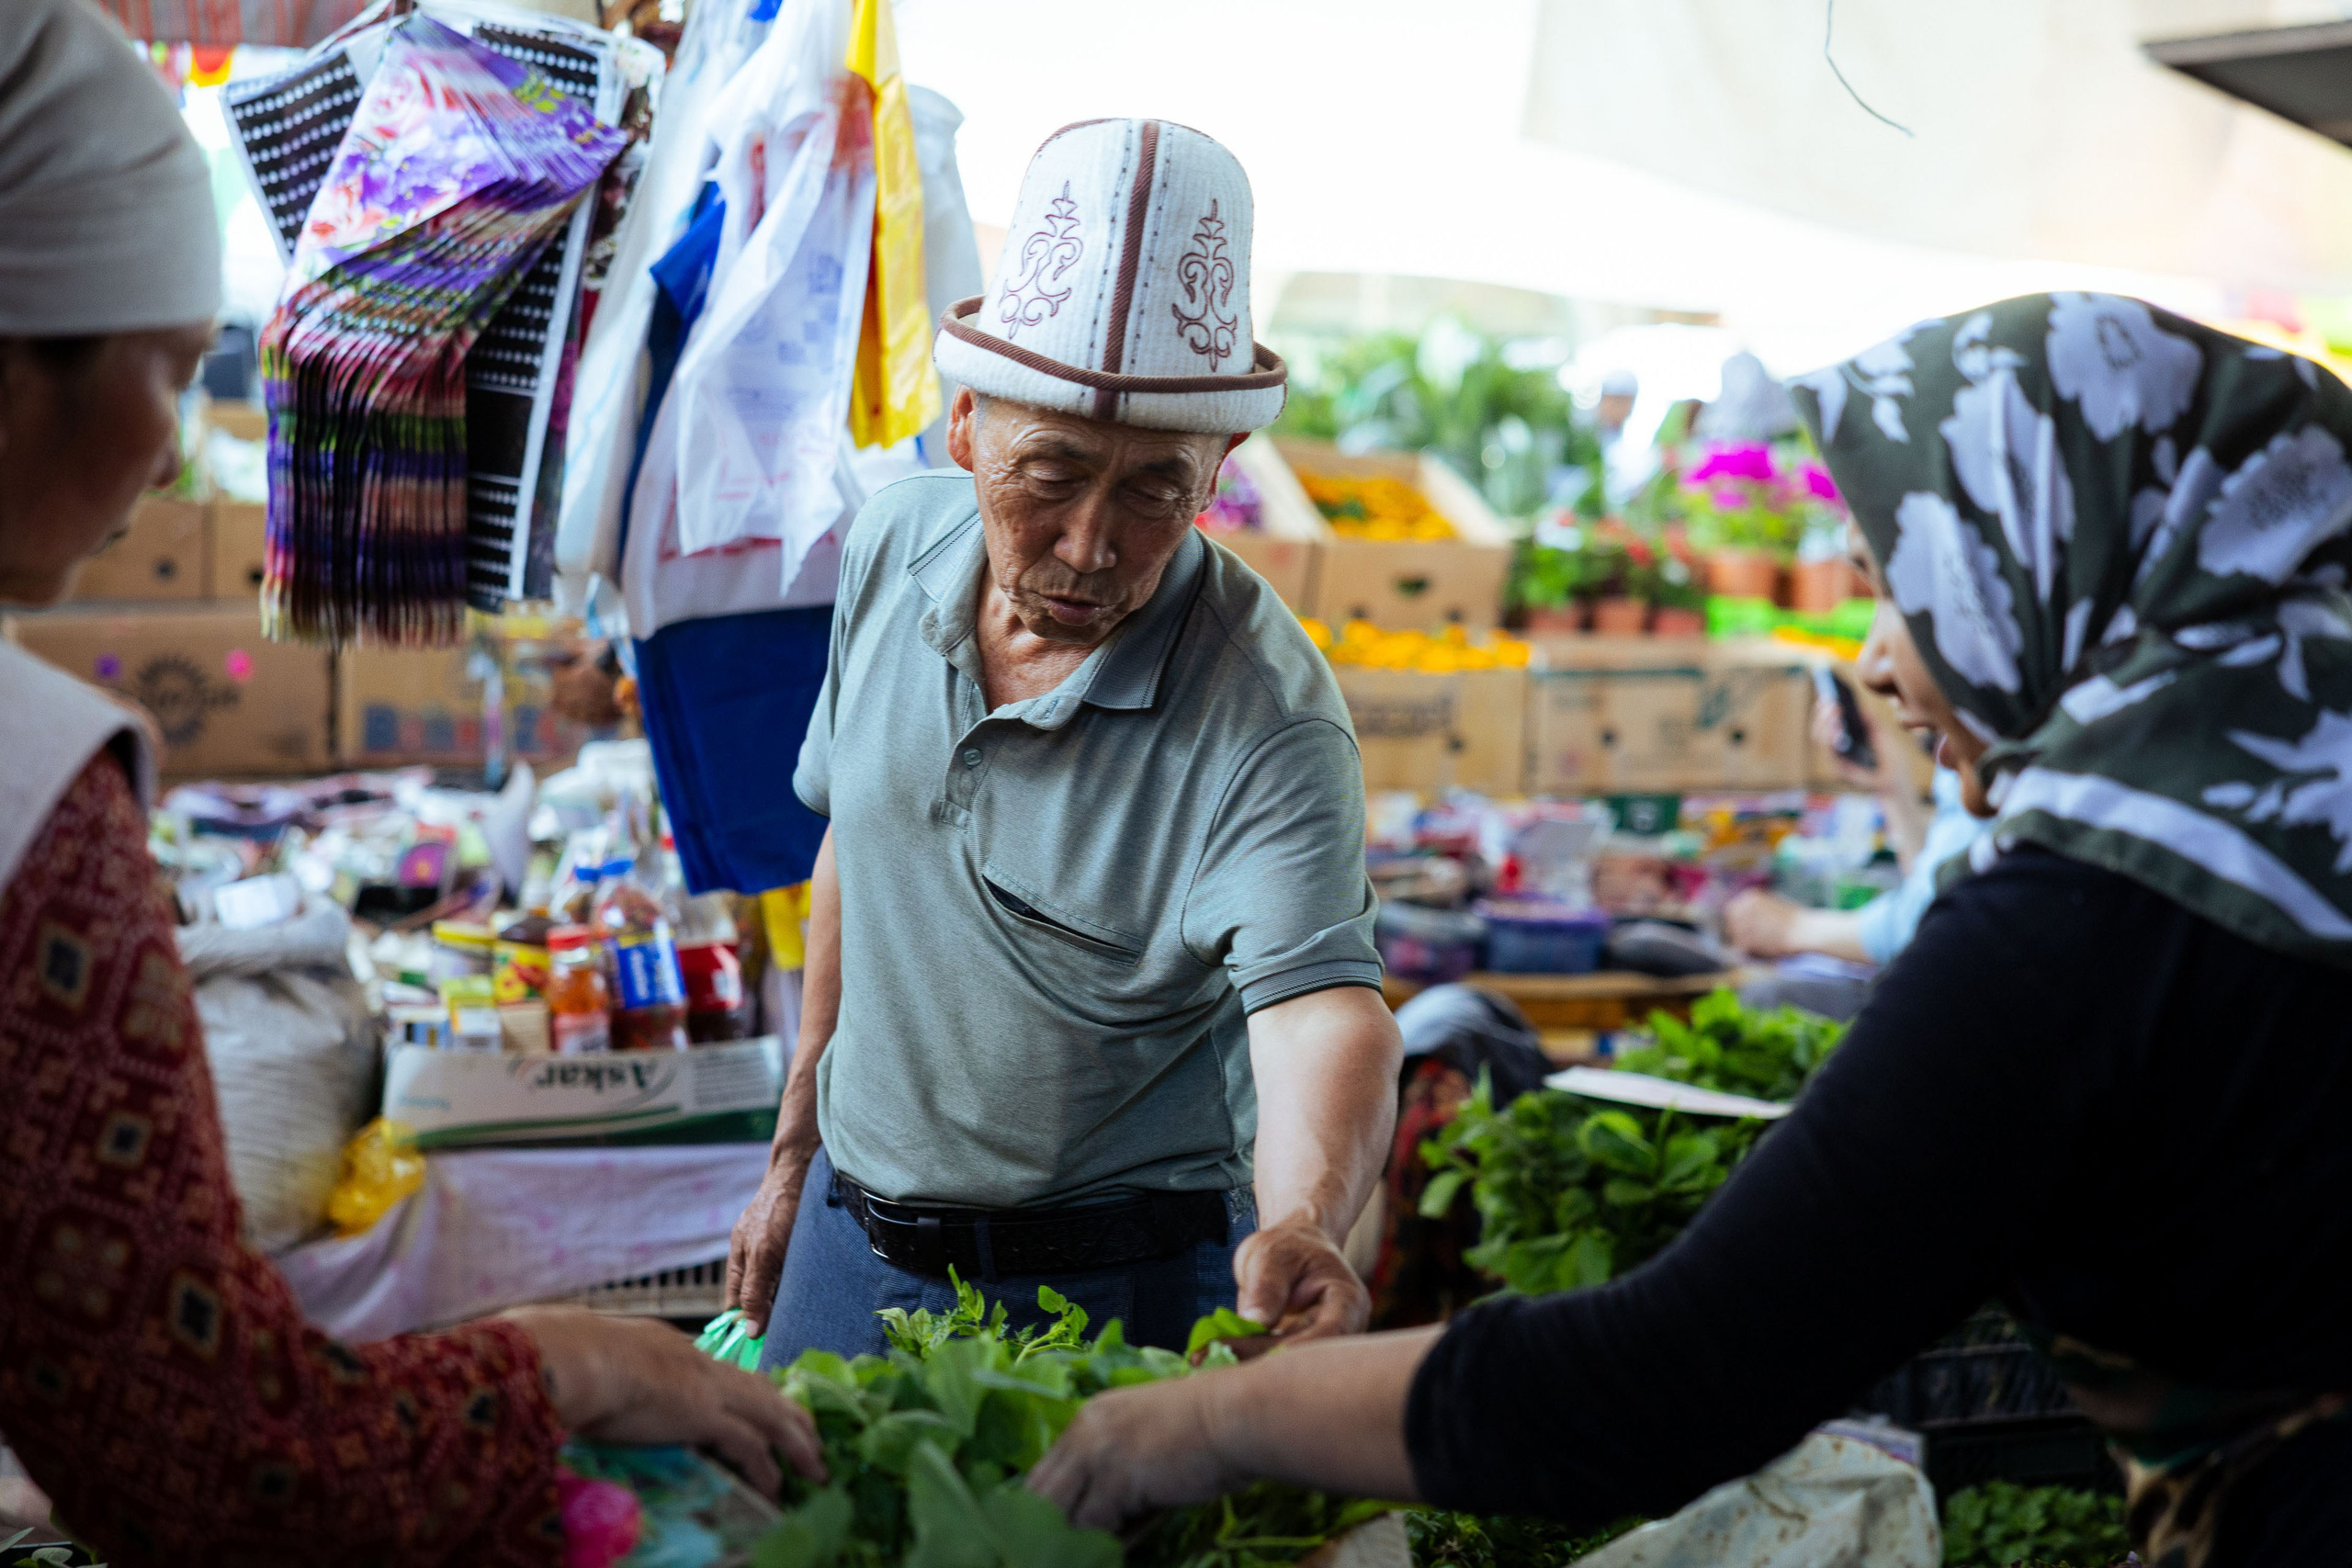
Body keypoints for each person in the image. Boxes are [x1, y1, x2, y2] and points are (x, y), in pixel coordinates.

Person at [1022, 294, 2352, 1566]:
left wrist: (1204, 1420)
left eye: (1908, 587)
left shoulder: (2086, 926)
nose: (1879, 659)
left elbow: (1664, 1379)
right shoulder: (2294, 824)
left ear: (2055, 564)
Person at [0, 5, 821, 1561]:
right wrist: (567, 1359)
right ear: (20, 360)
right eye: (165, 371)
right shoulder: (34, 790)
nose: (176, 458)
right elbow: (215, 1455)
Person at [727, 118, 1402, 1363]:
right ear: (967, 425)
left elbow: (1320, 1012)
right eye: (1052, 471)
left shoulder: (1266, 713)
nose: (1091, 542)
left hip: (1114, 1296)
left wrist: (1309, 1216)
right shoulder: (889, 550)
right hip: (843, 1240)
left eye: (1156, 486)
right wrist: (791, 1151)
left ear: (1220, 471)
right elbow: (853, 857)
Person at [1724, 700, 1987, 967]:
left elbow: (1934, 922)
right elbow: (1935, 882)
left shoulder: (1985, 748)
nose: (1875, 672)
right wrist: (1891, 787)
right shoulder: (1960, 745)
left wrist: (1792, 928)